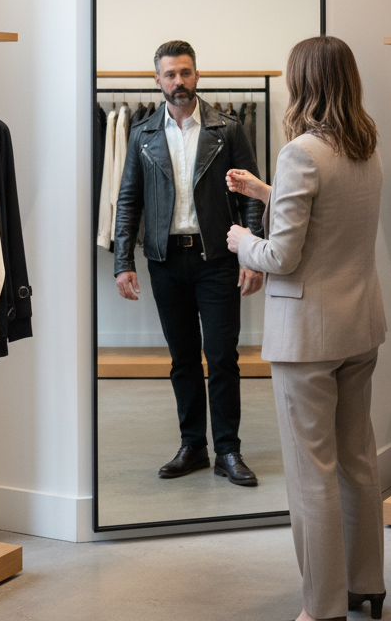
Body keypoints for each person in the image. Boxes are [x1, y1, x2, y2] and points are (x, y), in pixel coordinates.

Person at [227, 36, 387, 621]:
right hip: (358, 326)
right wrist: (266, 194)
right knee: (358, 461)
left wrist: (246, 244)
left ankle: (320, 606)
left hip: (307, 338)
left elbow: (284, 257)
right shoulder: (364, 146)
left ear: (303, 83)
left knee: (310, 474)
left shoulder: (300, 152)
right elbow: (332, 217)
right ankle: (366, 583)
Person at [113, 40, 265, 486]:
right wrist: (124, 260)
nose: (178, 82)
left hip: (217, 258)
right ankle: (193, 445)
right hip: (165, 261)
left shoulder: (229, 129)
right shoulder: (142, 134)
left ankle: (229, 451)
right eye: (169, 75)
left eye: (185, 73)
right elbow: (128, 201)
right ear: (157, 81)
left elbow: (252, 197)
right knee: (182, 359)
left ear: (197, 75)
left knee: (222, 357)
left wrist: (251, 253)